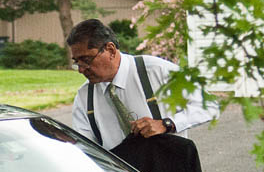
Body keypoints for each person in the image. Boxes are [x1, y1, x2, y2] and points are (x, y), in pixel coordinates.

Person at [67, 19, 218, 151]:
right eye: (76, 62)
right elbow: (85, 148)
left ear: (110, 50)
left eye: (86, 60)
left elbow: (209, 106)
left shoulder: (157, 71)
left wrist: (167, 124)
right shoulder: (85, 97)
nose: (80, 69)